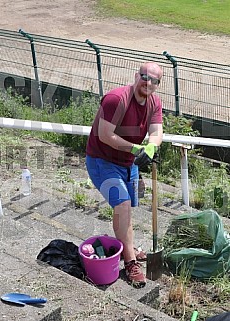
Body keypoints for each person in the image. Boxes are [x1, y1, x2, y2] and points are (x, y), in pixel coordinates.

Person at [86, 61, 163, 287]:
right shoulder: (116, 99)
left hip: (129, 164)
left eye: (154, 80)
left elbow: (157, 131)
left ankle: (127, 248)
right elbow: (105, 135)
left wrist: (151, 146)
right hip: (102, 161)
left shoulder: (154, 103)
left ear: (159, 84)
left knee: (128, 209)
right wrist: (135, 148)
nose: (148, 83)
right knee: (123, 206)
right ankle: (130, 263)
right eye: (144, 77)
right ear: (136, 75)